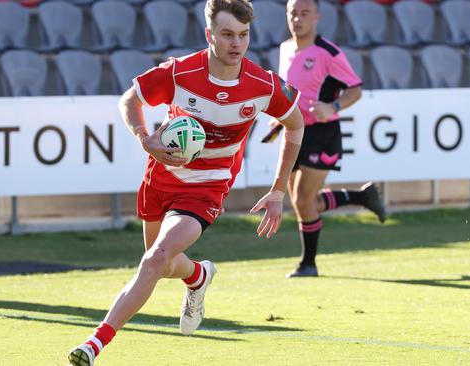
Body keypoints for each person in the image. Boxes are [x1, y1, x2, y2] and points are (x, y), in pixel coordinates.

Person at [67, 0, 304, 364]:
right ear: (209, 34)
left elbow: (295, 124)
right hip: (160, 177)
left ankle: (94, 344)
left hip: (207, 187)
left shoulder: (262, 84)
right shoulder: (179, 73)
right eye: (227, 35)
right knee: (161, 264)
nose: (236, 44)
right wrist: (146, 139)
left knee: (155, 259)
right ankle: (197, 276)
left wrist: (277, 190)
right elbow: (130, 100)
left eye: (243, 35)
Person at [273, 0, 386, 278]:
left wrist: (332, 107)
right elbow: (289, 91)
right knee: (301, 201)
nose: (298, 19)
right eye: (293, 14)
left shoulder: (328, 53)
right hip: (293, 132)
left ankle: (308, 264)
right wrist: (279, 119)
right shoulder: (285, 48)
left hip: (323, 133)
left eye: (304, 13)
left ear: (317, 17)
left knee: (302, 199)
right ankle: (361, 196)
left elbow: (355, 90)